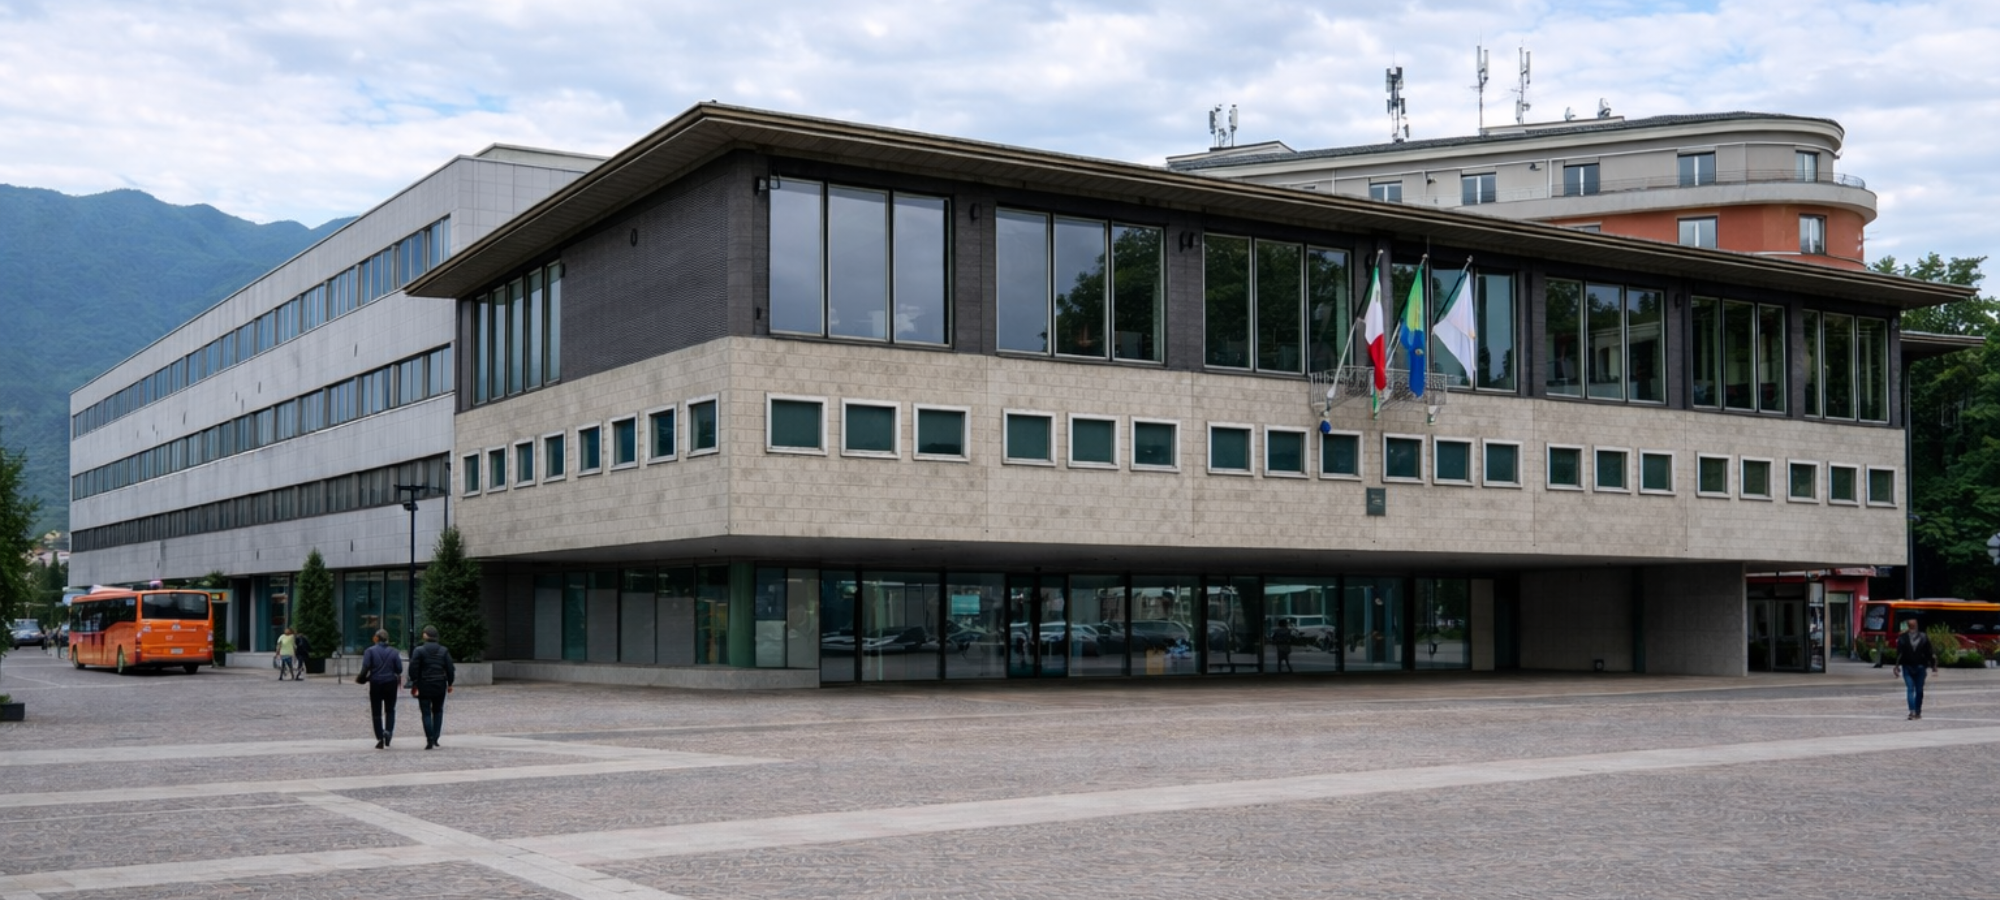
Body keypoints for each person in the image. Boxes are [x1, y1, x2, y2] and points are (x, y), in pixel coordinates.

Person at [407, 625, 456, 750]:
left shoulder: (419, 650)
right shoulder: (443, 651)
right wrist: (450, 683)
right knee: (438, 711)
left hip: (424, 684)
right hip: (440, 684)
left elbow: (413, 668)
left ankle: (429, 738)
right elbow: (450, 668)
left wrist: (415, 682)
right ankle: (436, 738)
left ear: (425, 636)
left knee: (426, 712)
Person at [361, 630, 403, 749]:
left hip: (376, 683)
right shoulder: (394, 652)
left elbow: (365, 667)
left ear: (376, 638)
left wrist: (362, 678)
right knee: (390, 710)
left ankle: (380, 737)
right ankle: (388, 733)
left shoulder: (369, 651)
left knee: (376, 712)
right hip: (391, 683)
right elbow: (399, 669)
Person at [1892, 618, 1938, 720]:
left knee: (1910, 689)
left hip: (1907, 666)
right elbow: (1929, 652)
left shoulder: (1902, 638)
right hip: (1920, 666)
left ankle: (1912, 711)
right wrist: (1933, 665)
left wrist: (1896, 666)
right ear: (1916, 625)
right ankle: (1917, 711)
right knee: (1919, 690)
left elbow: (1899, 653)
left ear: (1908, 626)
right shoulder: (1923, 636)